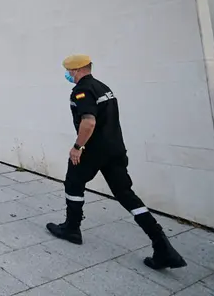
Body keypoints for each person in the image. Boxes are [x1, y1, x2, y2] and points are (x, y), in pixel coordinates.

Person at [47, 54, 187, 270]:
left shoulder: (82, 90)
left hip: (93, 151)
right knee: (125, 194)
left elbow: (89, 122)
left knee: (73, 183)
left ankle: (72, 228)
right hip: (115, 150)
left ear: (76, 70)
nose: (68, 74)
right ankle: (162, 246)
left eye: (69, 71)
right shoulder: (103, 87)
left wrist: (78, 147)